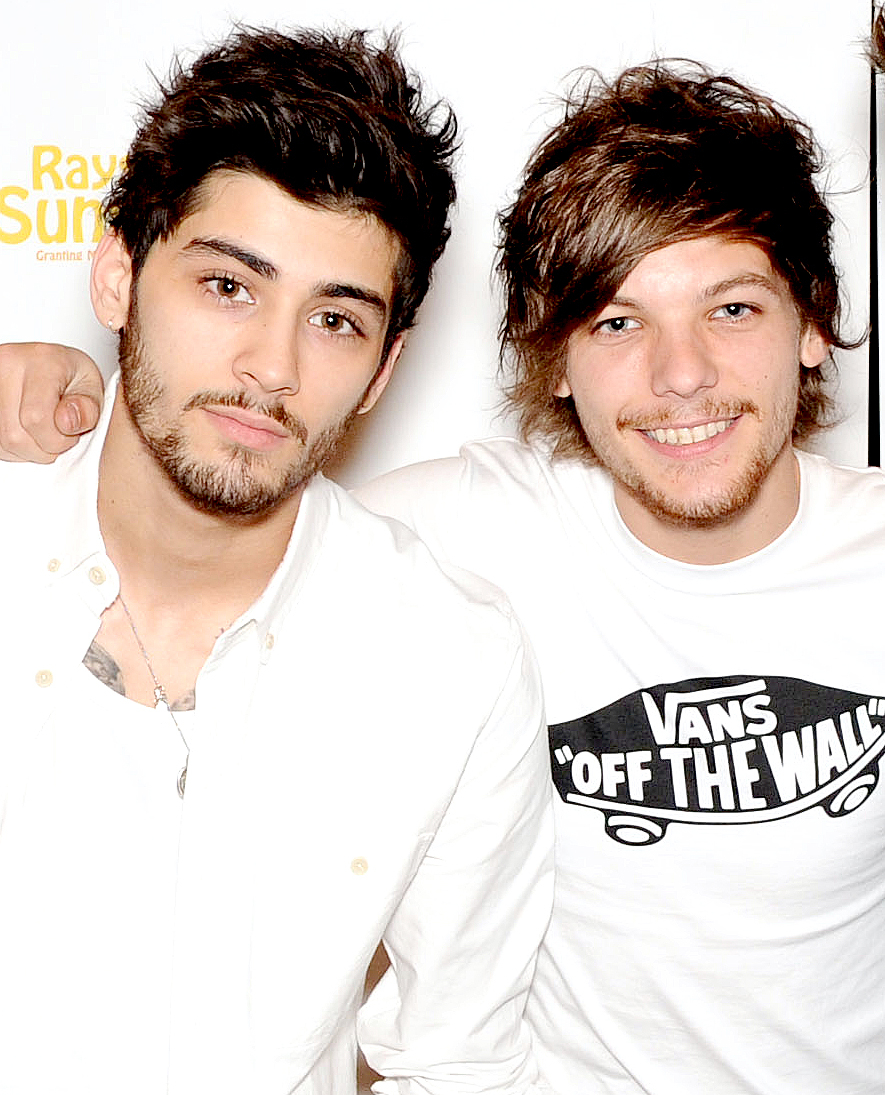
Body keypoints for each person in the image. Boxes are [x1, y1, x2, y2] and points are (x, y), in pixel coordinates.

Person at [4, 59, 883, 1095]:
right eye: (617, 321)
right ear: (553, 358)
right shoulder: (469, 537)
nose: (680, 375)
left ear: (813, 322)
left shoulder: (444, 635)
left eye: (732, 310)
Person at [0, 26, 554, 1095]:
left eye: (336, 319)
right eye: (227, 287)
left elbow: (459, 1065)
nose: (271, 367)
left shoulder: (452, 664)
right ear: (117, 275)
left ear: (387, 368)